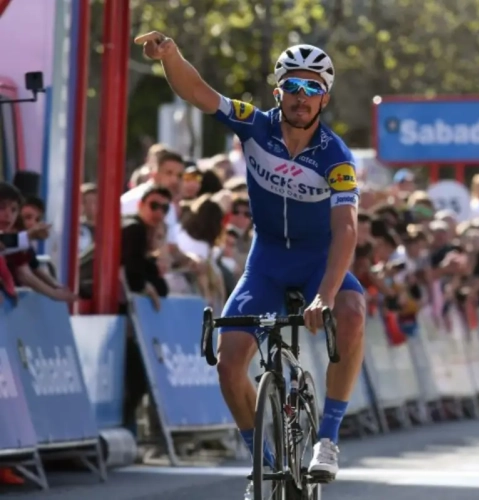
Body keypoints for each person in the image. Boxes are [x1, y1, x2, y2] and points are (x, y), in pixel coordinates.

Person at [135, 32, 365, 492]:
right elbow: (200, 94)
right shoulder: (254, 124)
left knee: (354, 314)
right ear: (278, 92)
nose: (302, 98)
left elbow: (346, 229)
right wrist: (171, 56)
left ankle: (328, 439)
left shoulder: (336, 156)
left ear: (325, 97)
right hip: (266, 262)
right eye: (293, 88)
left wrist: (326, 294)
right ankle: (261, 463)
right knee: (228, 363)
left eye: (312, 88)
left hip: (317, 259)